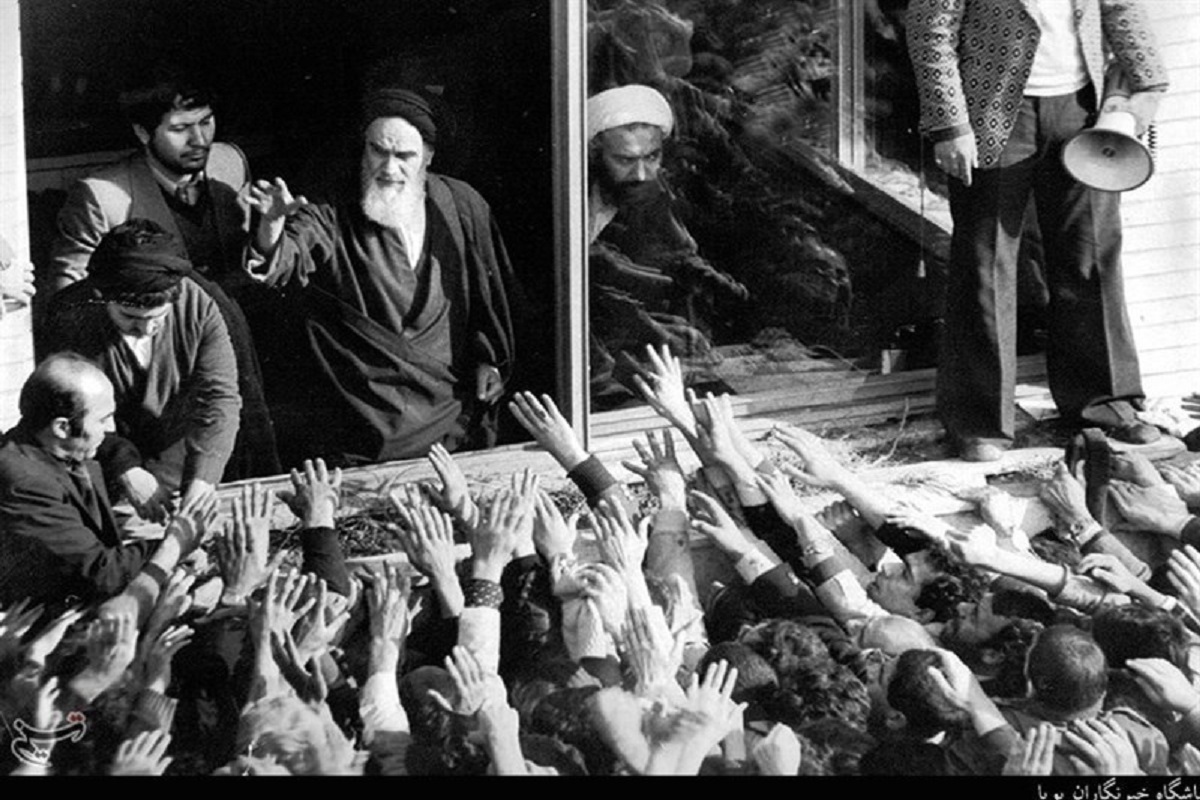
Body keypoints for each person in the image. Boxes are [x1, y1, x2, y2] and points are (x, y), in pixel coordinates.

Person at [907, 0, 1169, 462]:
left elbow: (1120, 6)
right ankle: (978, 422)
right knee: (985, 262)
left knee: (1091, 255)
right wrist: (949, 125)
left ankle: (1104, 403)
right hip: (991, 113)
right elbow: (931, 29)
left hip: (1083, 110)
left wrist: (1147, 83)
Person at [245, 86, 517, 465]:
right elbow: (288, 255)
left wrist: (490, 360)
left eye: (404, 156)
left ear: (428, 157)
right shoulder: (332, 208)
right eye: (379, 151)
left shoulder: (462, 205)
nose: (389, 169)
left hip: (451, 415)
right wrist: (272, 227)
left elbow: (490, 296)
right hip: (364, 420)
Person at [47, 69, 279, 479]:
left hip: (229, 358)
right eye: (180, 129)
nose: (200, 139)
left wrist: (268, 233)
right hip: (147, 378)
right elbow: (69, 302)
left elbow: (244, 266)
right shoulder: (102, 195)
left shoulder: (229, 162)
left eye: (206, 122)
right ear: (142, 132)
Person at [40, 220, 241, 519]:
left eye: (157, 318)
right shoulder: (70, 314)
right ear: (101, 296)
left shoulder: (199, 306)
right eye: (130, 317)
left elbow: (219, 399)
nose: (146, 329)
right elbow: (68, 410)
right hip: (94, 453)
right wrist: (123, 466)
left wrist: (203, 478)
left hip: (177, 454)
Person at [0, 352, 211, 608]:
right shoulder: (24, 482)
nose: (110, 428)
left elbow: (111, 445)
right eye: (102, 419)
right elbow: (102, 573)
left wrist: (127, 470)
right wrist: (175, 546)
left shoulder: (53, 442)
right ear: (62, 427)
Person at [586, 84, 747, 406]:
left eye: (651, 157)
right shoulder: (572, 205)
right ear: (594, 153)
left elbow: (681, 262)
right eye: (624, 160)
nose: (641, 174)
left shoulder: (659, 195)